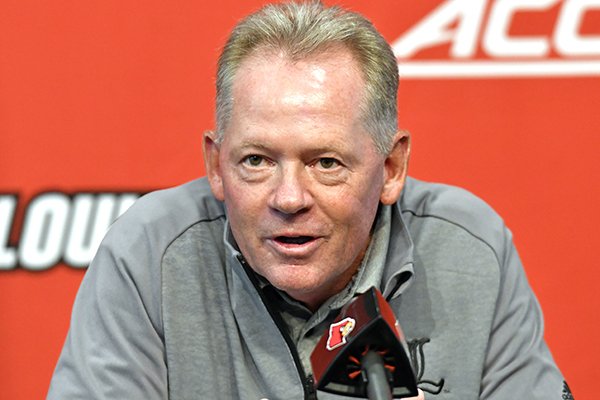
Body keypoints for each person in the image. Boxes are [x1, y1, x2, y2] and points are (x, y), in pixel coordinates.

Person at [48, 1, 571, 399]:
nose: (289, 198)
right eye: (256, 160)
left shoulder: (472, 251)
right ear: (215, 164)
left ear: (391, 169)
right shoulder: (149, 255)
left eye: (326, 163)